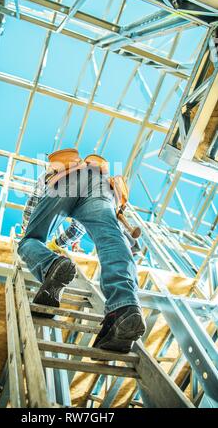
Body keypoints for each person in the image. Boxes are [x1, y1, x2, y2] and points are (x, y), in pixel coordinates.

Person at [18, 148, 146, 353]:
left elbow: (33, 203)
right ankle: (124, 308)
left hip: (65, 181)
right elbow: (78, 228)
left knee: (29, 241)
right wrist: (60, 243)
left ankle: (51, 265)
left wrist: (36, 236)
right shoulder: (95, 173)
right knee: (111, 239)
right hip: (102, 187)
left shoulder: (59, 169)